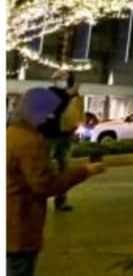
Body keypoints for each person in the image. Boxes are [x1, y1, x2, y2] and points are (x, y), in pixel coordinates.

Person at [7, 86, 105, 276]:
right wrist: (85, 172)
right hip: (17, 229)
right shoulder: (31, 142)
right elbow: (44, 185)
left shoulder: (10, 133)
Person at [50, 74, 82, 212]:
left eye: (68, 79)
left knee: (64, 168)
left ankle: (61, 199)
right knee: (43, 166)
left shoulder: (76, 97)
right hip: (51, 136)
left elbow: (79, 113)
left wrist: (76, 126)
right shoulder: (52, 93)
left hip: (65, 136)